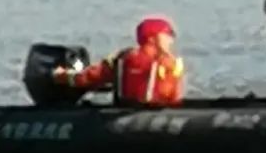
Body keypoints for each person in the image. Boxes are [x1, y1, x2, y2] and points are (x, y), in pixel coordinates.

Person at [52, 16, 185, 107]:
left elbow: (91, 77)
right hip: (156, 111)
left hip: (132, 111)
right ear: (152, 38)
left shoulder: (124, 57)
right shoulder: (171, 63)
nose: (171, 40)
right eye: (167, 35)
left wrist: (61, 76)